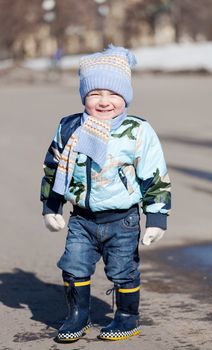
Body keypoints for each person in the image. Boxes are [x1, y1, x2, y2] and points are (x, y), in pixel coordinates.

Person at [40, 44, 171, 343]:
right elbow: (54, 167)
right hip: (82, 220)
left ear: (125, 96)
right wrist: (51, 206)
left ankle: (127, 317)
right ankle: (77, 315)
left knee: (123, 271)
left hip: (122, 220)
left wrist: (156, 218)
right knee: (73, 266)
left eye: (113, 94)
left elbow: (155, 174)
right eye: (94, 94)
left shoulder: (138, 131)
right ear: (84, 96)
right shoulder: (69, 127)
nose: (104, 101)